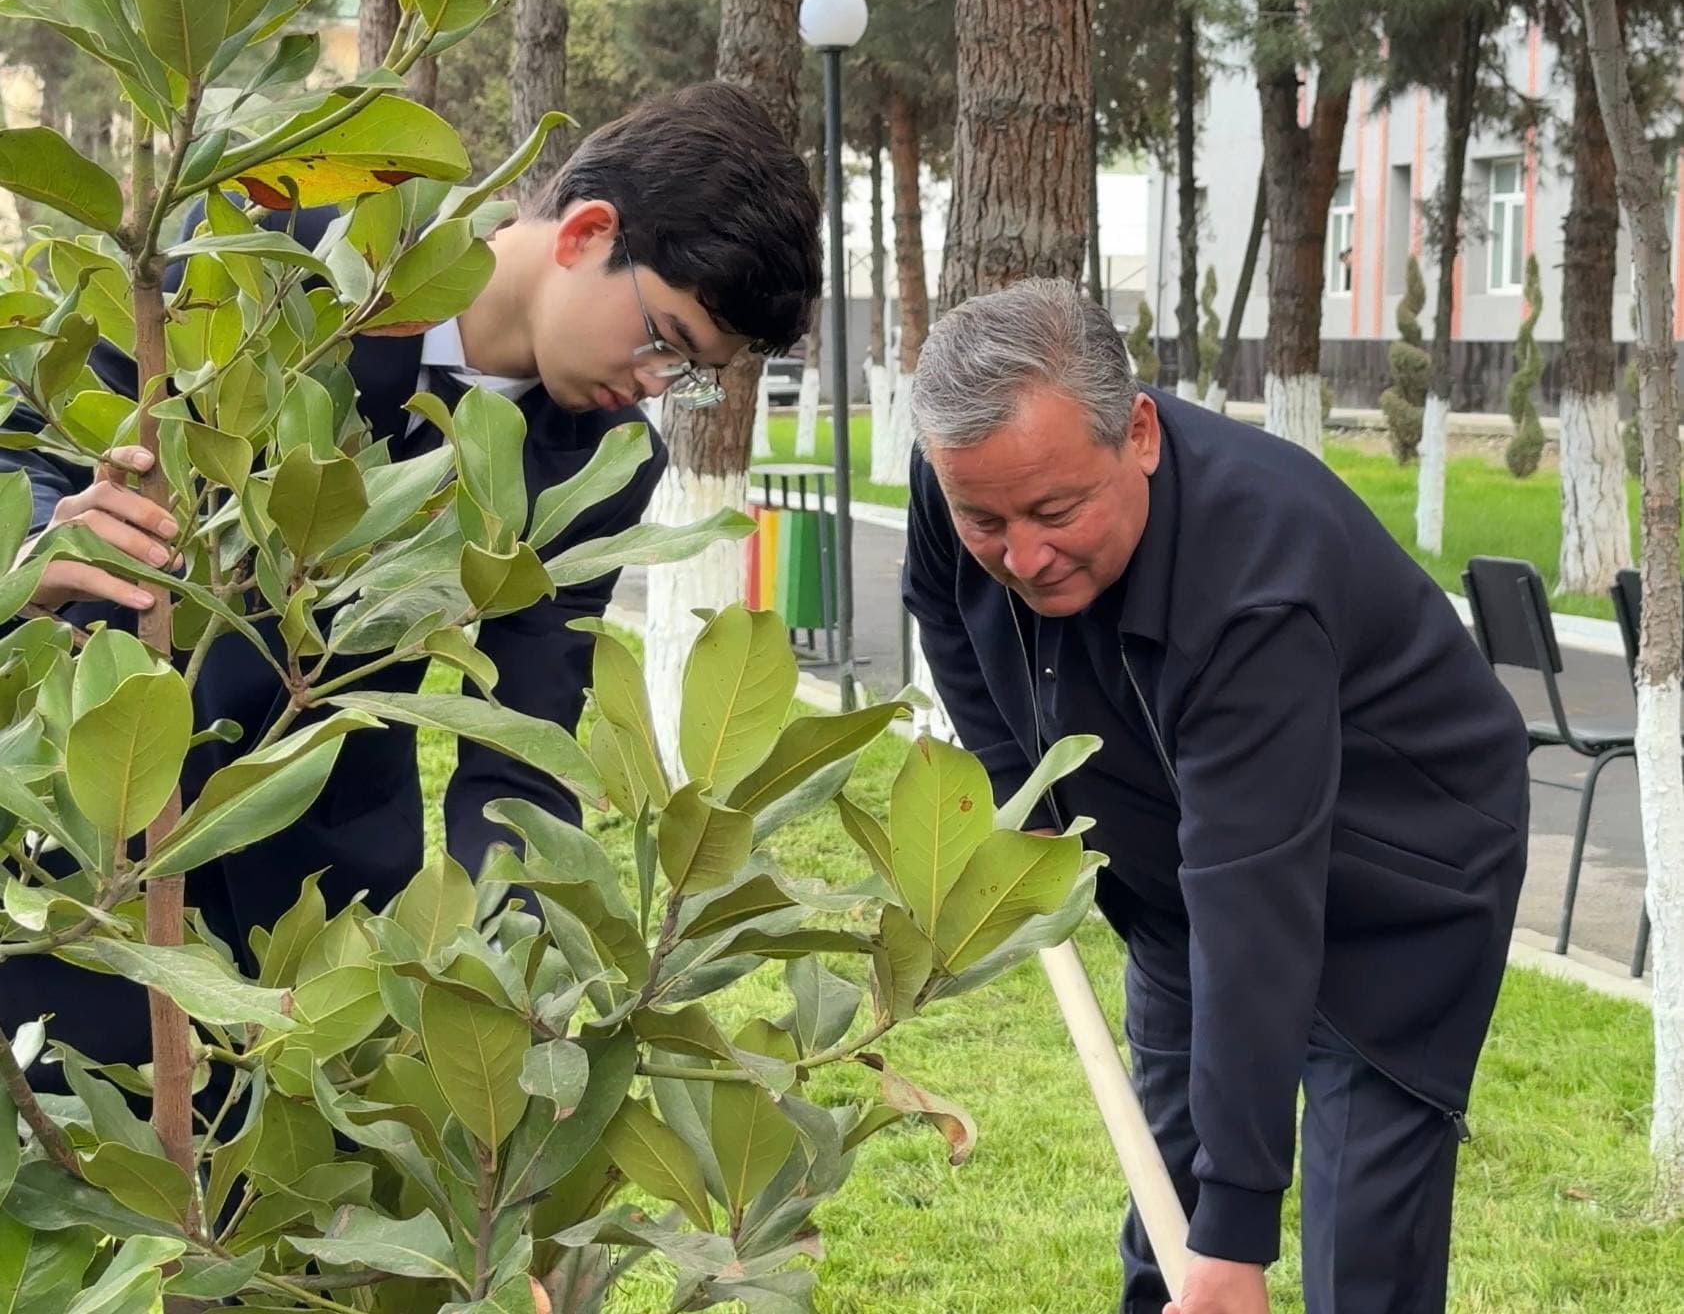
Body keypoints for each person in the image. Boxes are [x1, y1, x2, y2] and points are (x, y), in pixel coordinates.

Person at [1, 81, 821, 1078]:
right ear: (586, 234)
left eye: (691, 373)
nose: (656, 382)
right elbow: (31, 444)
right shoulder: (281, 260)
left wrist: (503, 969)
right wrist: (41, 546)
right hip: (89, 848)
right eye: (667, 341)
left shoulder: (599, 467)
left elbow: (519, 752)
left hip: (324, 912)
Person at [901, 279, 1528, 1314]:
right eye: (985, 520)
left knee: (1358, 1245)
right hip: (1182, 858)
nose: (1023, 555)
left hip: (1401, 881)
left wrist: (1237, 1236)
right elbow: (941, 605)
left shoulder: (1256, 587)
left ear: (1140, 435)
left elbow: (1254, 902)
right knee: (1171, 1200)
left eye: (1056, 513)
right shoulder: (966, 474)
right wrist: (1025, 801)